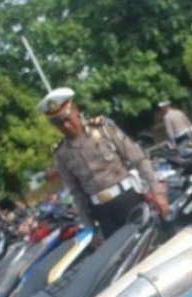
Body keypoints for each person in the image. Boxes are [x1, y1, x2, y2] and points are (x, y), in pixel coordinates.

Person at [38, 87, 169, 239]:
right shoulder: (61, 153)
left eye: (67, 118)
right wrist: (89, 228)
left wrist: (157, 192)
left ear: (75, 110)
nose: (65, 125)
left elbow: (139, 159)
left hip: (128, 199)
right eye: (59, 123)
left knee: (151, 241)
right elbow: (77, 193)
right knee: (122, 253)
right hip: (103, 213)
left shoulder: (103, 129)